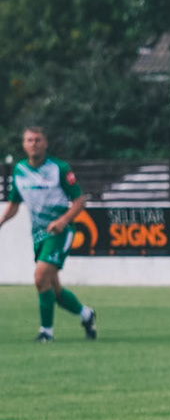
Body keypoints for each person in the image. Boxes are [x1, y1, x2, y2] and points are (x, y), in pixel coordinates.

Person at [1, 126, 97, 343]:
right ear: (23, 144)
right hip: (38, 234)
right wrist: (2, 221)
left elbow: (80, 201)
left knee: (40, 277)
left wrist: (63, 221)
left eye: (37, 139)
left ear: (45, 143)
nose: (33, 144)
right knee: (54, 289)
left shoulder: (59, 168)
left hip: (60, 232)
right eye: (29, 140)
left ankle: (46, 332)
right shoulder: (19, 170)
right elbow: (14, 204)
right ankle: (86, 314)